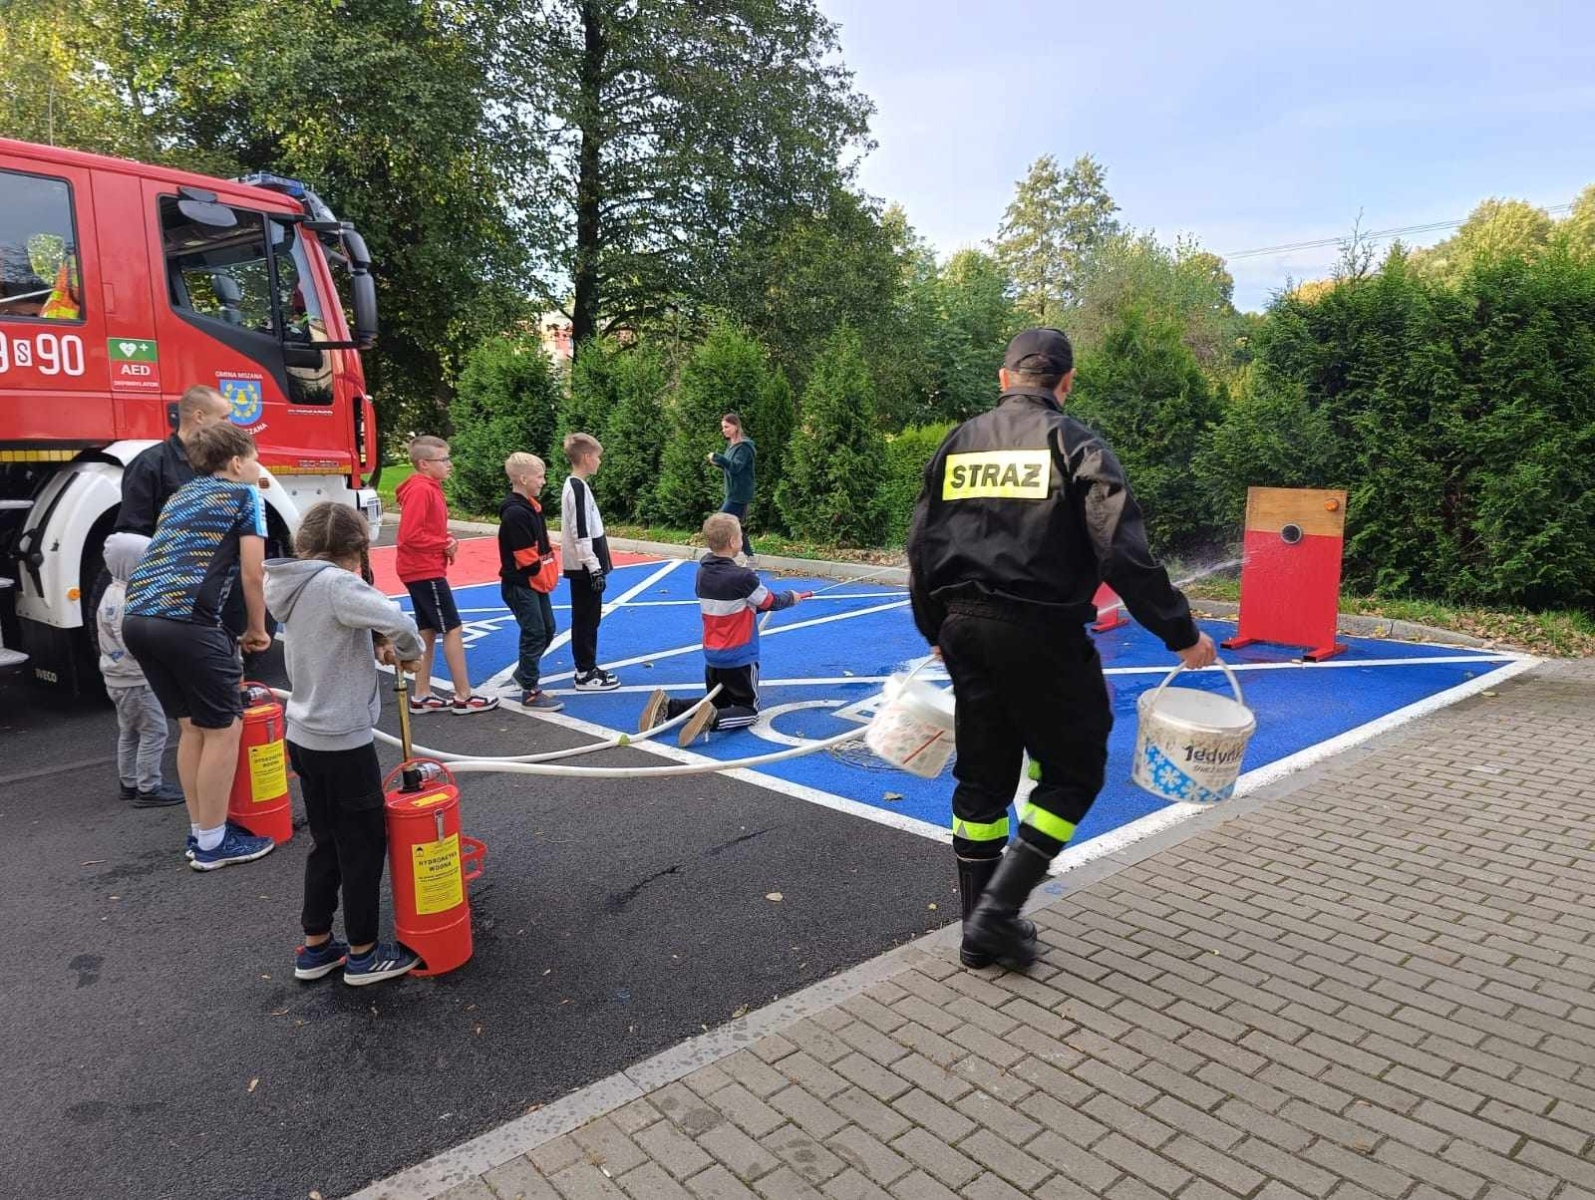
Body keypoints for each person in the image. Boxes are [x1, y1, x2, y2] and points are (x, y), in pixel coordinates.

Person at [906, 327, 1217, 970]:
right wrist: (1181, 633)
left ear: (1003, 378)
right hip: (1041, 631)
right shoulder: (1076, 444)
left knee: (984, 779)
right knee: (1075, 772)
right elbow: (1122, 553)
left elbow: (922, 545)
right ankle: (997, 915)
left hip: (963, 627)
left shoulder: (957, 444)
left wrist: (935, 628)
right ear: (1066, 384)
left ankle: (976, 935)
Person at [264, 502, 425, 986]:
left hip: (305, 734)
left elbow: (334, 632)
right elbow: (399, 620)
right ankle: (363, 952)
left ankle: (316, 944)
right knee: (362, 845)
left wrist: (370, 641)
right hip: (343, 739)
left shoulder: (292, 583)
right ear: (353, 550)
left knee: (327, 841)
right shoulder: (337, 583)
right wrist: (408, 654)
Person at [122, 423, 277, 871]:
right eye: (254, 458)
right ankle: (212, 844)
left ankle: (202, 829)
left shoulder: (181, 495)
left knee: (191, 728)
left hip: (138, 617)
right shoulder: (246, 497)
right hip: (187, 622)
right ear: (235, 463)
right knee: (224, 728)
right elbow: (253, 572)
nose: (256, 466)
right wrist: (257, 629)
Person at [638, 513, 806, 747]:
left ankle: (670, 707)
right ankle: (712, 720)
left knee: (719, 700)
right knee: (748, 709)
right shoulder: (743, 577)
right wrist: (792, 597)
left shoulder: (703, 572)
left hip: (713, 656)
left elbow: (733, 606)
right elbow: (769, 602)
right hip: (739, 657)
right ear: (733, 542)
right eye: (740, 535)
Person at [395, 435, 498, 715]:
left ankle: (422, 693)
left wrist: (446, 539)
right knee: (452, 627)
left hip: (423, 568)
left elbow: (427, 528)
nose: (450, 464)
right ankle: (463, 694)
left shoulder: (429, 487)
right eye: (444, 460)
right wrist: (443, 543)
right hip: (423, 570)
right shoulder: (421, 490)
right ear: (424, 463)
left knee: (427, 630)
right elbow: (409, 536)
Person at [97, 533, 184, 808]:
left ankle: (129, 781)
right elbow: (133, 643)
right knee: (154, 732)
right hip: (137, 679)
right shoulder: (129, 600)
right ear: (133, 565)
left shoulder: (111, 593)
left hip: (117, 678)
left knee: (130, 731)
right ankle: (149, 787)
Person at [113, 384, 233, 538]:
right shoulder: (150, 463)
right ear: (199, 417)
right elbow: (134, 531)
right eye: (224, 417)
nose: (230, 424)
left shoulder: (223, 460)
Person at [498, 452, 563, 711]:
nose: (543, 481)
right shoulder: (516, 513)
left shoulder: (531, 508)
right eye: (539, 476)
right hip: (522, 585)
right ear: (523, 479)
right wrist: (542, 570)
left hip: (533, 583)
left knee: (547, 629)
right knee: (535, 631)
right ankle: (530, 690)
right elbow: (526, 558)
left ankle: (524, 673)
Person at [560, 432, 621, 692]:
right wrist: (594, 567)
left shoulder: (578, 486)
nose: (599, 462)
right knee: (586, 618)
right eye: (597, 457)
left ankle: (588, 666)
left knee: (590, 617)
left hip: (585, 564)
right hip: (585, 566)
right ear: (586, 457)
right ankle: (585, 673)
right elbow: (580, 531)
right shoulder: (576, 487)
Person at [706, 412, 756, 563]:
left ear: (736, 426)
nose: (724, 430)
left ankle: (718, 555)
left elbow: (735, 468)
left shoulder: (744, 447)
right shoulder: (732, 446)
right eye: (723, 427)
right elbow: (730, 468)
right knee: (735, 525)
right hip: (733, 492)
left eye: (727, 427)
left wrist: (718, 457)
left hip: (739, 494)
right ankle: (750, 557)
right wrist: (719, 463)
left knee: (719, 522)